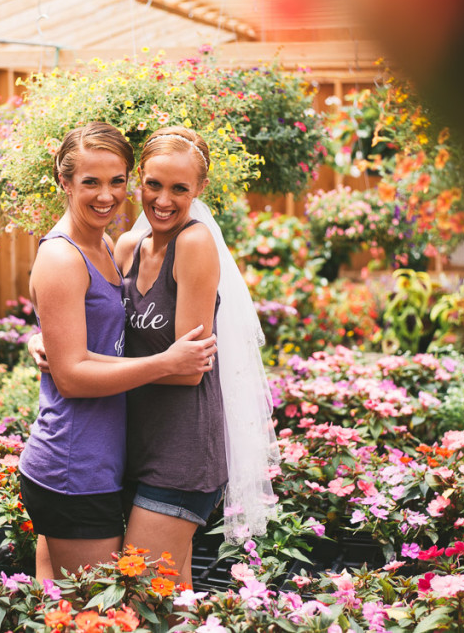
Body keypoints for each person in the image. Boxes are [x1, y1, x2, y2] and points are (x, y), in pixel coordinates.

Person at [32, 126, 280, 586]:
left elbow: (187, 371)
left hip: (181, 449)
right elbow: (97, 326)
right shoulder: (123, 247)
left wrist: (81, 365)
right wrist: (51, 345)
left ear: (200, 189)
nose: (163, 200)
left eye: (179, 188)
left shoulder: (194, 243)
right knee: (168, 593)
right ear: (140, 179)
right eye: (153, 185)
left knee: (142, 589)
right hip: (126, 445)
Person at [18, 121, 219, 581]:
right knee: (99, 613)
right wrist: (164, 361)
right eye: (90, 181)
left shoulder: (107, 246)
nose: (106, 195)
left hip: (116, 457)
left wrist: (49, 341)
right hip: (74, 462)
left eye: (115, 181)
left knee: (107, 607)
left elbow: (97, 337)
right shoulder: (66, 254)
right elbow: (71, 372)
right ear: (63, 181)